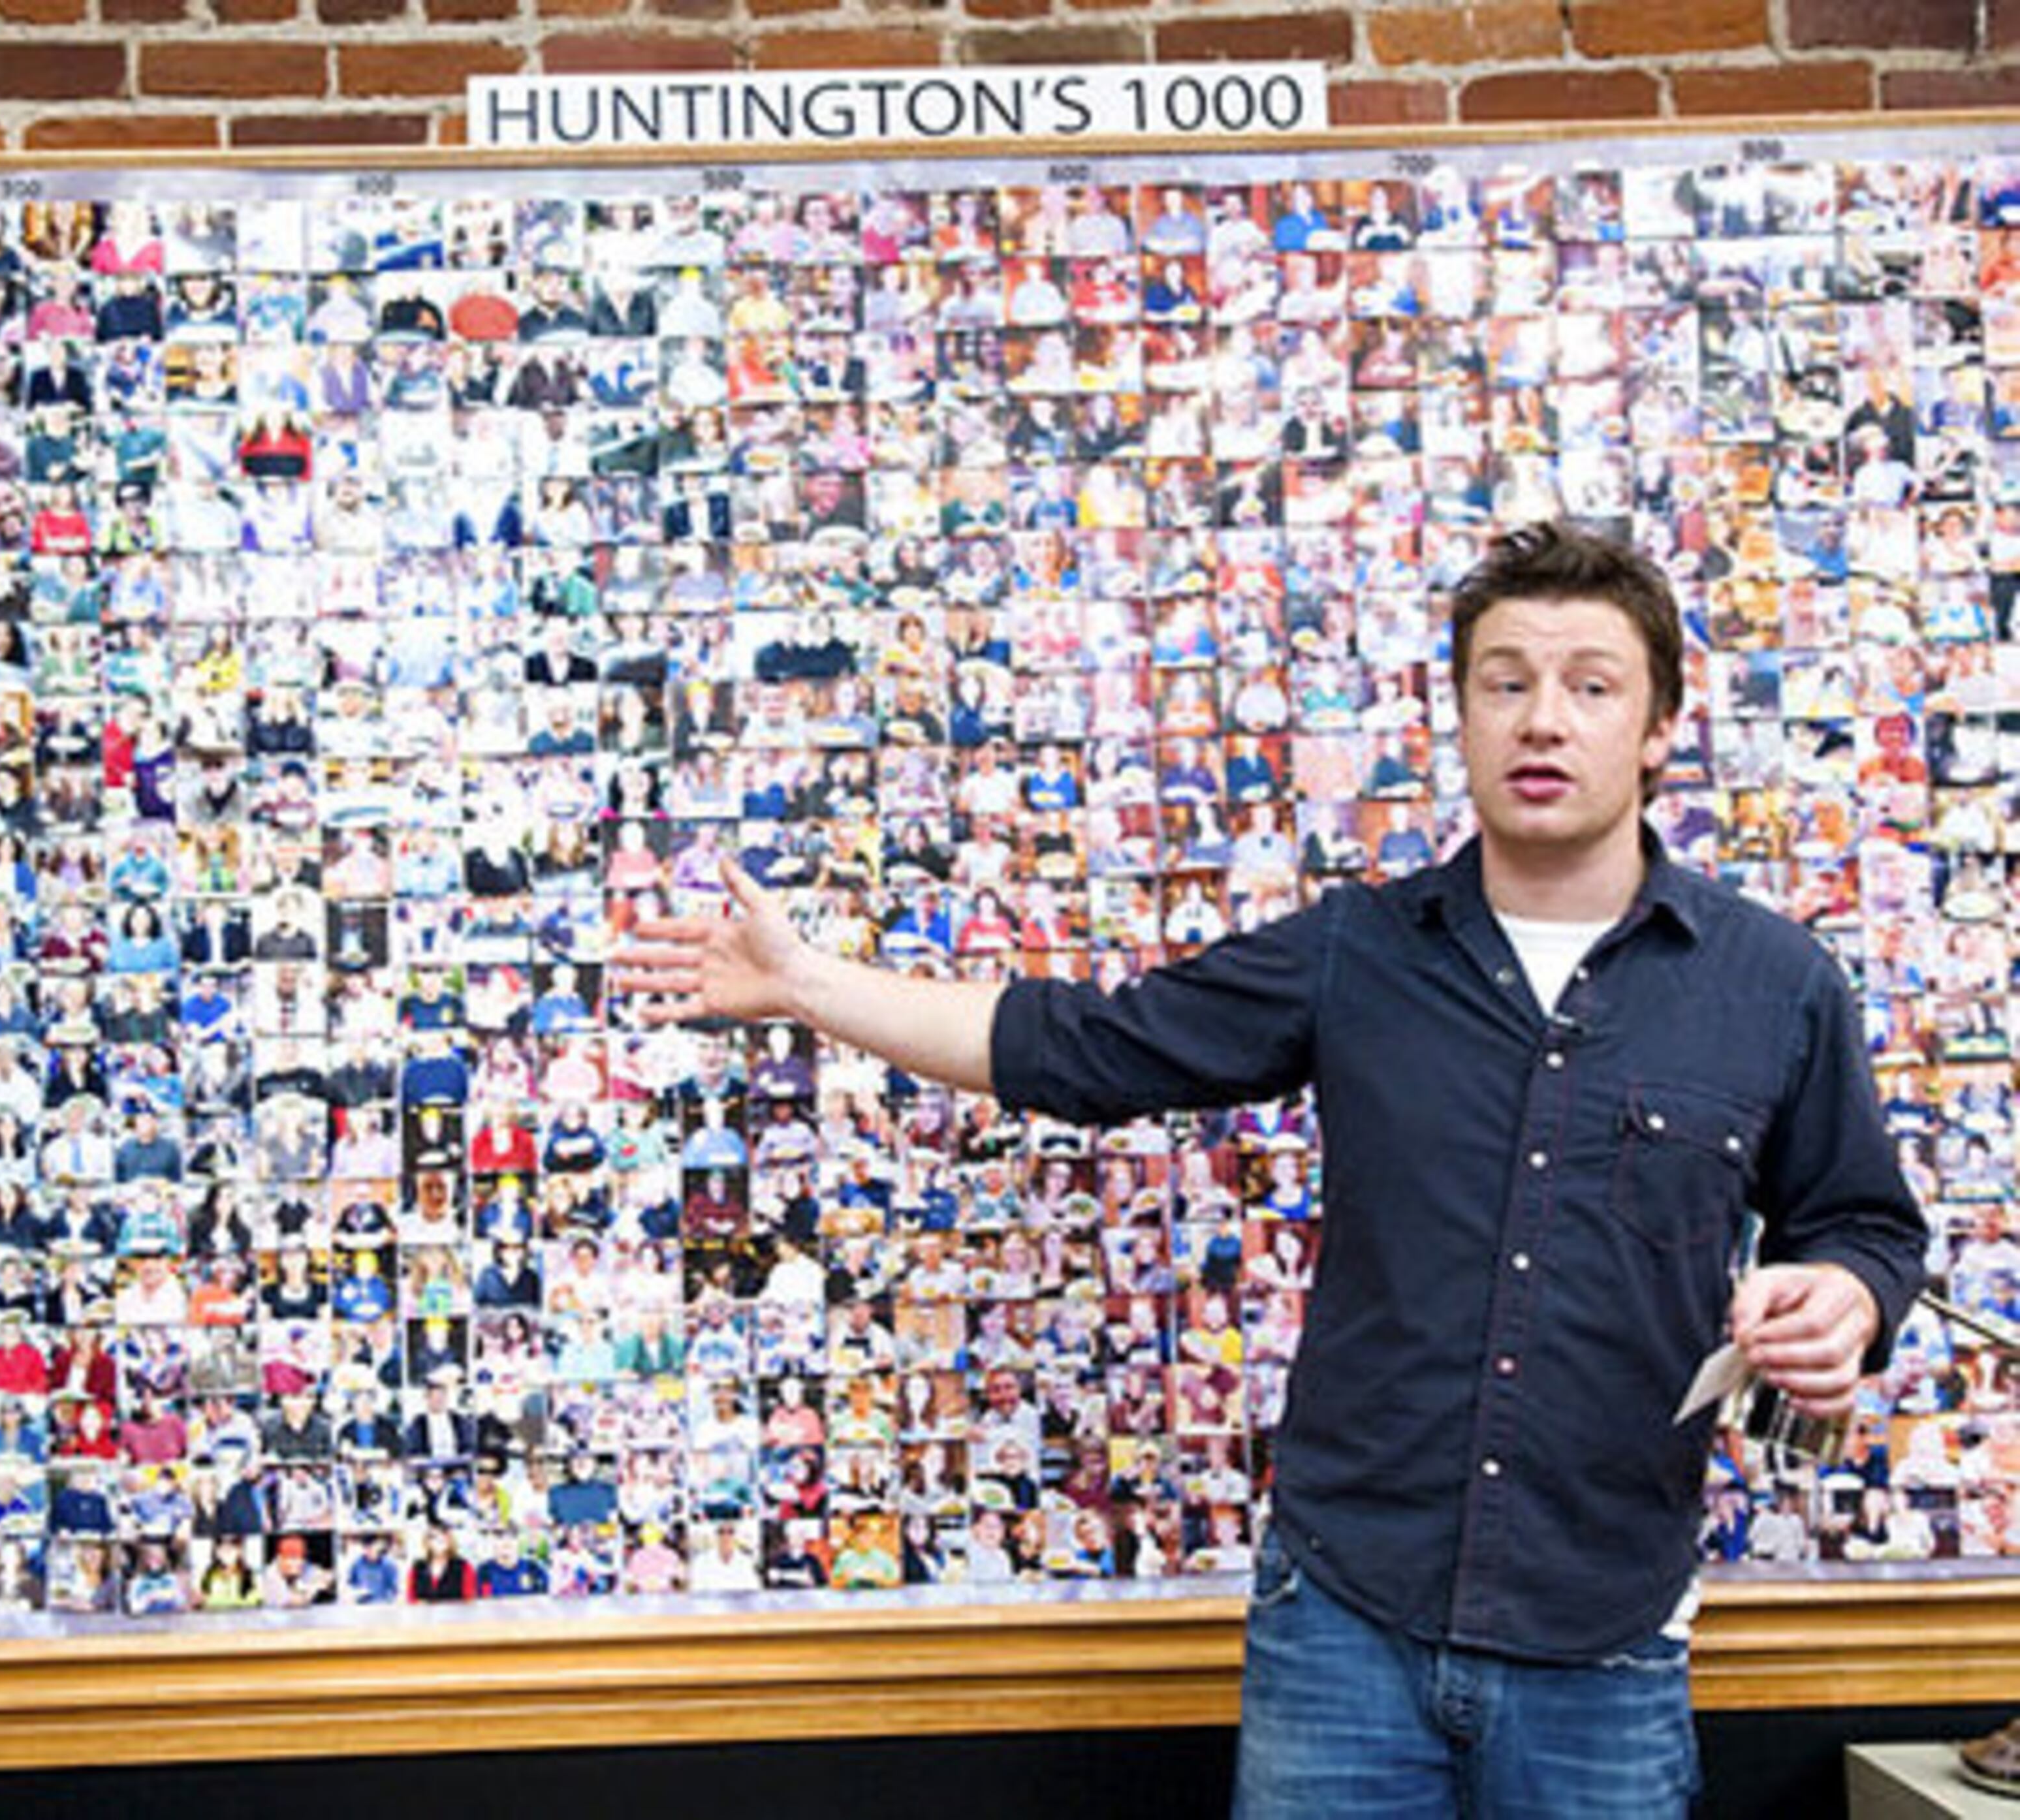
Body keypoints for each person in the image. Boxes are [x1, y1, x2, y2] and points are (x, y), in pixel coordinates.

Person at [618, 522, 1927, 1817]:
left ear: (1657, 728)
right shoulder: (1359, 949)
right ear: (1458, 715)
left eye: (1592, 685)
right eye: (1505, 680)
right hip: (1346, 1620)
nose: (1544, 719)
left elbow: (1863, 1222)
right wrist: (805, 984)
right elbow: (1082, 1045)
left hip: (1609, 1630)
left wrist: (1846, 1299)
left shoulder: (1774, 983)